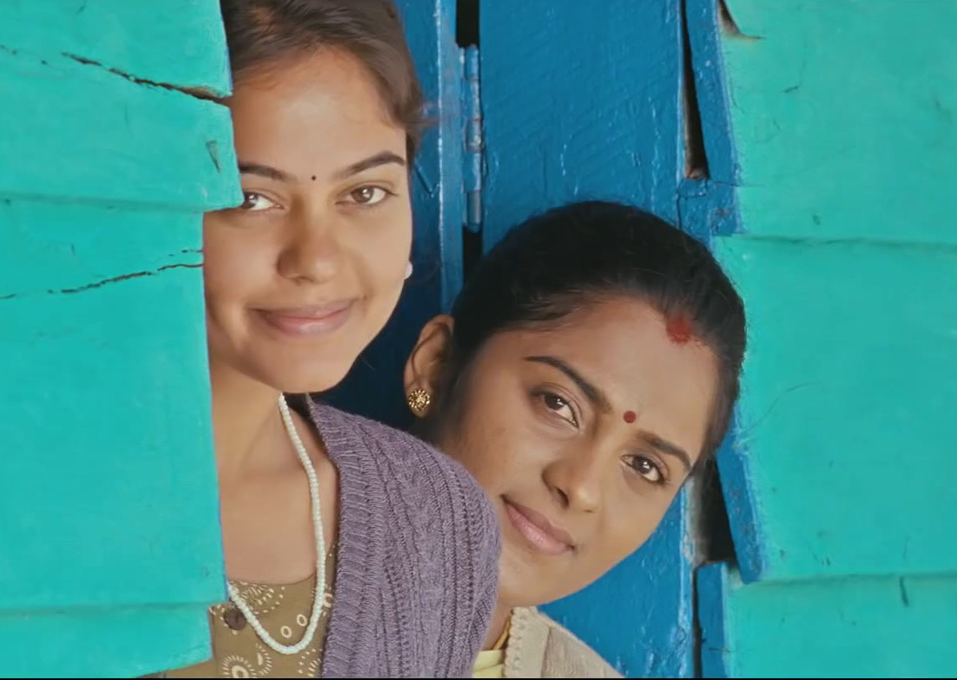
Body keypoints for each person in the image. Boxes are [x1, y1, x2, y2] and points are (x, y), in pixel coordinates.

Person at [159, 1, 500, 677]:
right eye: (251, 199)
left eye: (365, 193)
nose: (315, 260)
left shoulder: (437, 522)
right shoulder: (22, 495)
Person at [402, 201, 748, 678]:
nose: (581, 486)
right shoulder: (268, 601)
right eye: (558, 404)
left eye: (645, 466)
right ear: (438, 366)